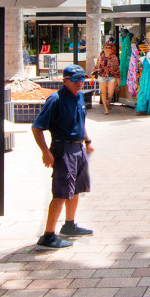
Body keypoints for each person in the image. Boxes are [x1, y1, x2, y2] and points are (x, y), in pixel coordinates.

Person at [30, 64, 94, 250]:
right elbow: (37, 127)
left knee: (75, 189)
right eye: (75, 79)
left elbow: (81, 120)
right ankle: (48, 236)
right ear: (65, 80)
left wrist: (88, 141)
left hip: (78, 148)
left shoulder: (80, 96)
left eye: (82, 78)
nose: (79, 82)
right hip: (63, 148)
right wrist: (45, 151)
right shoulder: (55, 99)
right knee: (61, 191)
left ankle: (69, 225)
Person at [91, 37, 119, 114]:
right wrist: (93, 77)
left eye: (109, 48)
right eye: (106, 48)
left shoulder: (114, 57)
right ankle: (105, 109)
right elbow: (96, 67)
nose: (107, 49)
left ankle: (108, 101)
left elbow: (117, 68)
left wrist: (118, 77)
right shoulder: (101, 57)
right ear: (103, 49)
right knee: (103, 93)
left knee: (110, 93)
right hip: (102, 75)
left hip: (111, 76)